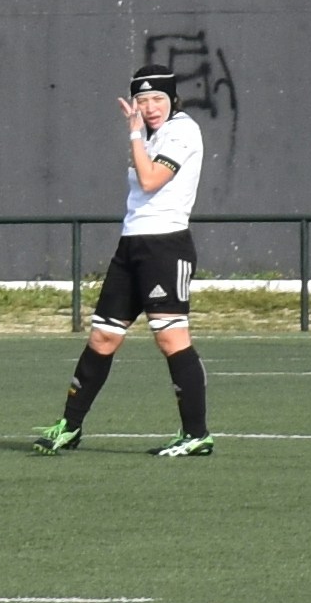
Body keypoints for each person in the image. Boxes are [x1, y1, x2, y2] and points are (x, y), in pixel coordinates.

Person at [41, 73, 218, 459]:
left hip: (166, 247)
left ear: (173, 99)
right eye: (143, 101)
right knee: (102, 337)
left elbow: (152, 180)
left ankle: (196, 434)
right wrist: (140, 135)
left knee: (171, 338)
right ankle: (69, 428)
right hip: (132, 245)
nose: (150, 107)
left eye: (158, 98)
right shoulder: (150, 135)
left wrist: (135, 134)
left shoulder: (182, 131)